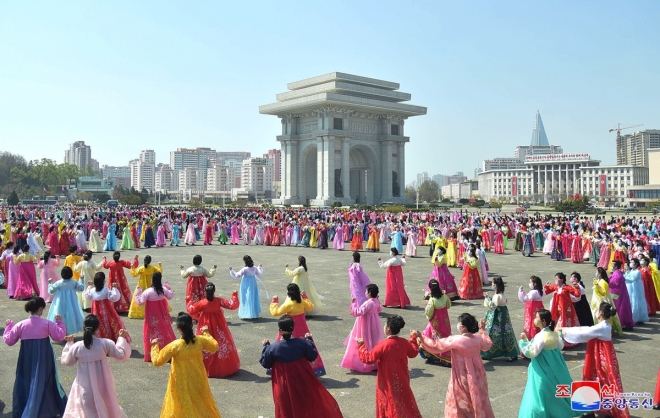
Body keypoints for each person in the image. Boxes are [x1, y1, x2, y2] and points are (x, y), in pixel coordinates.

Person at [260, 315, 344, 418]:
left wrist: (265, 347)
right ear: (293, 329)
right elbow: (312, 356)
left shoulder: (272, 348)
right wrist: (309, 340)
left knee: (285, 406)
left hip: (283, 384)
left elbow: (266, 364)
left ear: (279, 330)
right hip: (302, 380)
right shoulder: (302, 344)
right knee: (305, 404)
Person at [414, 313, 495, 418]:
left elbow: (435, 346)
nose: (458, 325)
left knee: (460, 399)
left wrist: (421, 336)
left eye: (460, 324)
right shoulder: (478, 338)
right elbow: (487, 344)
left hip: (461, 376)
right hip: (477, 375)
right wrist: (483, 329)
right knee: (477, 397)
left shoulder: (456, 340)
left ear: (464, 328)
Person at [559, 303, 630, 418]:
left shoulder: (602, 327)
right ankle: (597, 408)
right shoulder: (604, 326)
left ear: (601, 312)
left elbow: (584, 332)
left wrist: (563, 331)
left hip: (602, 359)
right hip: (602, 357)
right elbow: (587, 329)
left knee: (601, 380)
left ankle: (602, 409)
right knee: (602, 381)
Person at [3, 297, 68, 418]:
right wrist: (60, 322)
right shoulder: (46, 324)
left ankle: (27, 407)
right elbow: (59, 336)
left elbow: (9, 340)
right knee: (46, 382)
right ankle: (45, 409)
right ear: (40, 309)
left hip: (26, 358)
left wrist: (9, 327)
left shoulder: (21, 325)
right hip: (44, 358)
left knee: (27, 381)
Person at [151, 313, 222, 418]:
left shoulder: (175, 346)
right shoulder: (200, 340)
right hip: (198, 378)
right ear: (191, 325)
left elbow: (157, 361)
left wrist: (154, 346)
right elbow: (214, 346)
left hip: (180, 381)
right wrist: (206, 333)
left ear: (179, 329)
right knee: (200, 403)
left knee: (181, 405)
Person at [60, 314, 131, 418]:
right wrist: (121, 338)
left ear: (84, 327)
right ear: (97, 328)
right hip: (103, 381)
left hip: (84, 383)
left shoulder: (77, 346)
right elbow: (121, 355)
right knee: (105, 403)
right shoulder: (105, 343)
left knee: (86, 407)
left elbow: (67, 361)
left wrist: (69, 344)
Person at [517, 309, 580, 418]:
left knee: (540, 390)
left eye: (537, 318)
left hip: (542, 367)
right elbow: (560, 346)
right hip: (556, 366)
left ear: (543, 321)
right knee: (558, 385)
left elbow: (532, 352)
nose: (535, 320)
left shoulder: (540, 336)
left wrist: (523, 342)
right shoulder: (554, 333)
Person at [357, 315, 422, 418]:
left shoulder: (383, 345)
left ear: (388, 329)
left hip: (387, 382)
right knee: (403, 400)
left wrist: (361, 345)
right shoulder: (404, 342)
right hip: (402, 379)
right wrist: (413, 338)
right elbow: (413, 352)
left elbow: (368, 358)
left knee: (389, 401)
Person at [269, 283, 325, 376]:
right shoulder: (301, 302)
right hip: (302, 329)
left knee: (285, 346)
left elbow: (275, 312)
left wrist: (274, 301)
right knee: (306, 346)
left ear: (289, 293)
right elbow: (310, 306)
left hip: (290, 328)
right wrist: (305, 296)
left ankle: (287, 369)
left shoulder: (288, 304)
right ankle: (311, 368)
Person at [188, 283, 240, 378]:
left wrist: (189, 300)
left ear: (205, 291)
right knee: (221, 342)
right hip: (219, 325)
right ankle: (224, 366)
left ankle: (206, 366)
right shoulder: (219, 301)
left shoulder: (202, 303)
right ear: (214, 291)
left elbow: (191, 310)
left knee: (205, 343)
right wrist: (234, 295)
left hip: (205, 325)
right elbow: (232, 305)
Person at [133, 272, 176, 362]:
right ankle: (167, 352)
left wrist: (138, 293)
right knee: (165, 331)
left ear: (152, 280)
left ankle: (152, 353)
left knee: (152, 333)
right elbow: (171, 296)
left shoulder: (148, 291)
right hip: (162, 316)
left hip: (152, 317)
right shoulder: (163, 290)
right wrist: (168, 288)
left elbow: (140, 302)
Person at [341, 283, 384, 372]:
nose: (365, 293)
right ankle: (375, 362)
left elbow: (358, 312)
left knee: (365, 341)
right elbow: (380, 309)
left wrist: (353, 304)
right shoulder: (376, 301)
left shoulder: (368, 303)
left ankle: (364, 362)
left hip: (365, 325)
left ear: (369, 293)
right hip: (375, 324)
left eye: (366, 291)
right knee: (374, 341)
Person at [83, 272, 132, 343]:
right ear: (103, 281)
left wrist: (89, 286)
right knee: (111, 323)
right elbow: (115, 297)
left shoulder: (93, 290)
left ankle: (100, 341)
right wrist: (114, 288)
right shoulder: (106, 290)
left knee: (98, 325)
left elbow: (87, 296)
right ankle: (113, 340)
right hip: (107, 310)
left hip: (96, 311)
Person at [481, 277, 519, 362]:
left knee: (493, 333)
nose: (492, 285)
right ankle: (511, 353)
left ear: (496, 285)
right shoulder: (502, 294)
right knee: (505, 333)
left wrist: (487, 298)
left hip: (497, 317)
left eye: (493, 284)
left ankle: (489, 353)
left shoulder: (498, 296)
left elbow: (493, 306)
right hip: (503, 315)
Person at [419, 279, 452, 366]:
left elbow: (429, 312)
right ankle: (446, 357)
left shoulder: (432, 299)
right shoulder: (444, 297)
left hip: (435, 323)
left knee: (429, 338)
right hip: (445, 322)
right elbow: (448, 305)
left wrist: (428, 316)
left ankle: (432, 356)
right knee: (445, 337)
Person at [543, 272, 581, 348]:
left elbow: (577, 294)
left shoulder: (567, 287)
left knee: (565, 323)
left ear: (562, 279)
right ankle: (558, 340)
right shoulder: (555, 287)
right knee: (556, 323)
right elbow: (546, 291)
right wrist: (546, 286)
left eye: (557, 278)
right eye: (555, 278)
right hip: (557, 309)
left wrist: (576, 287)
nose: (556, 280)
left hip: (566, 309)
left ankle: (567, 341)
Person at [47, 265, 85, 334]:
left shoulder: (59, 283)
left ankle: (61, 330)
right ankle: (70, 330)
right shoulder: (74, 282)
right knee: (72, 313)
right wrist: (81, 279)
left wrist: (50, 283)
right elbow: (81, 288)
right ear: (71, 274)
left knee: (60, 313)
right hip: (72, 301)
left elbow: (51, 291)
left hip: (60, 302)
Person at [181, 255, 217, 321]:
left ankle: (193, 313)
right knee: (202, 297)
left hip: (193, 285)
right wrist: (213, 268)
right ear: (200, 262)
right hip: (202, 284)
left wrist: (182, 269)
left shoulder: (190, 269)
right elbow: (209, 275)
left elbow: (184, 276)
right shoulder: (202, 268)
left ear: (193, 261)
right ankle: (203, 312)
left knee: (193, 298)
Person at [229, 255, 266, 319]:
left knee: (245, 296)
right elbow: (259, 274)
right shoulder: (254, 268)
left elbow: (237, 275)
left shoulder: (245, 269)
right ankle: (253, 312)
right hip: (253, 283)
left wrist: (231, 270)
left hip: (246, 283)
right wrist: (259, 267)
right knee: (252, 296)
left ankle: (247, 313)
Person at [591, 267, 623, 336]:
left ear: (600, 274)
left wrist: (597, 286)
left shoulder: (603, 282)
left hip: (601, 301)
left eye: (597, 272)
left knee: (602, 315)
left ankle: (605, 330)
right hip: (596, 300)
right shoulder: (598, 281)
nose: (596, 273)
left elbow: (603, 292)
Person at [609, 260, 635, 330]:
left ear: (616, 266)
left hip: (617, 295)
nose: (611, 266)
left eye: (612, 265)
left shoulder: (617, 273)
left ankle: (623, 323)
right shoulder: (617, 273)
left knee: (619, 309)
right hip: (618, 294)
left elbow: (615, 283)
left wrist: (606, 281)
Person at [518, 275, 545, 340]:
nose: (529, 284)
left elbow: (524, 299)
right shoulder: (540, 291)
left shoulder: (533, 292)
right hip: (537, 308)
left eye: (530, 282)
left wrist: (520, 291)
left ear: (535, 284)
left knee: (530, 323)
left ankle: (530, 338)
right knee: (537, 323)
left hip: (531, 310)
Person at [624, 258, 648, 324]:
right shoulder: (631, 270)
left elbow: (631, 279)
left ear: (636, 264)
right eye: (631, 261)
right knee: (632, 302)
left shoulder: (637, 271)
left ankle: (638, 318)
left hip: (637, 289)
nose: (631, 263)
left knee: (637, 302)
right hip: (631, 288)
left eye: (632, 262)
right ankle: (632, 317)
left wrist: (623, 276)